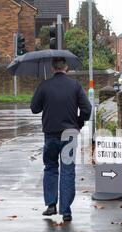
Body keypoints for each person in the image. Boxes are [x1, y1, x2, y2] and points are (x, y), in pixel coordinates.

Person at [30, 57, 92, 222]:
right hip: (69, 134)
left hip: (50, 134)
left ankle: (51, 204)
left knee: (50, 167)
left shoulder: (44, 86)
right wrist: (79, 122)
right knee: (67, 170)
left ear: (52, 68)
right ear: (66, 67)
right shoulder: (75, 86)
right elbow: (87, 108)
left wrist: (43, 97)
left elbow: (34, 108)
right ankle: (66, 211)